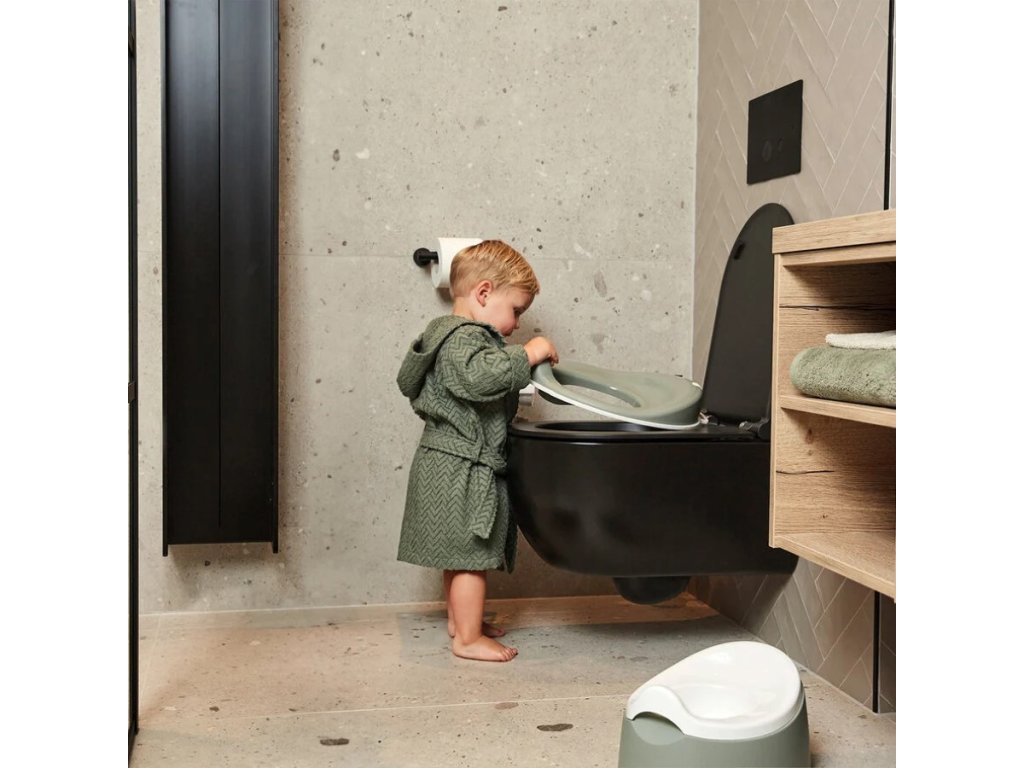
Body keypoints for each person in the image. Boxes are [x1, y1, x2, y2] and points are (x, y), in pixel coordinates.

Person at [396, 240, 558, 662]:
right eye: (516, 310)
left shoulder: (445, 337)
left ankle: (461, 623)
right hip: (461, 467)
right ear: (484, 293)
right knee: (471, 556)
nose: (517, 323)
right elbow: (479, 378)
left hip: (446, 463)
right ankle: (467, 640)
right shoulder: (465, 338)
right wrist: (530, 352)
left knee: (457, 553)